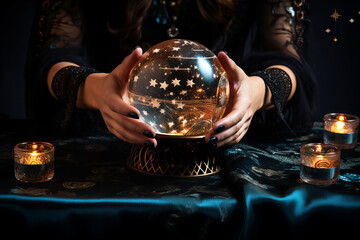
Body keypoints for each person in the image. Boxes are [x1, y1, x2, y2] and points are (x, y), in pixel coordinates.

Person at [26, 0, 317, 148]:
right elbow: (52, 58)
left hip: (219, 138)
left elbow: (290, 63)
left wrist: (253, 93)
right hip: (114, 138)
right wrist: (98, 90)